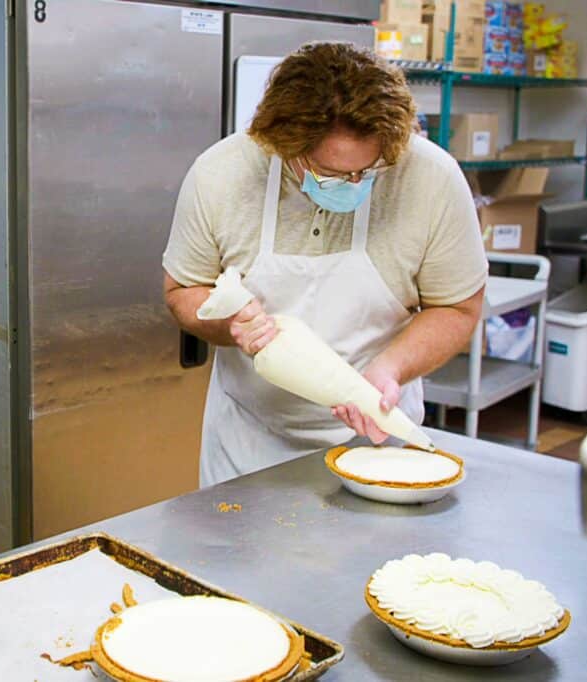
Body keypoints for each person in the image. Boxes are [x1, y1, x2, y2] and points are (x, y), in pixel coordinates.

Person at [163, 42, 487, 487]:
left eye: (368, 170)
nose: (353, 184)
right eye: (330, 174)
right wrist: (230, 325)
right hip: (248, 447)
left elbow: (458, 307)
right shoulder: (221, 174)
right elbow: (182, 290)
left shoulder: (432, 178)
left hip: (378, 441)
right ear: (282, 146)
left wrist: (389, 371)